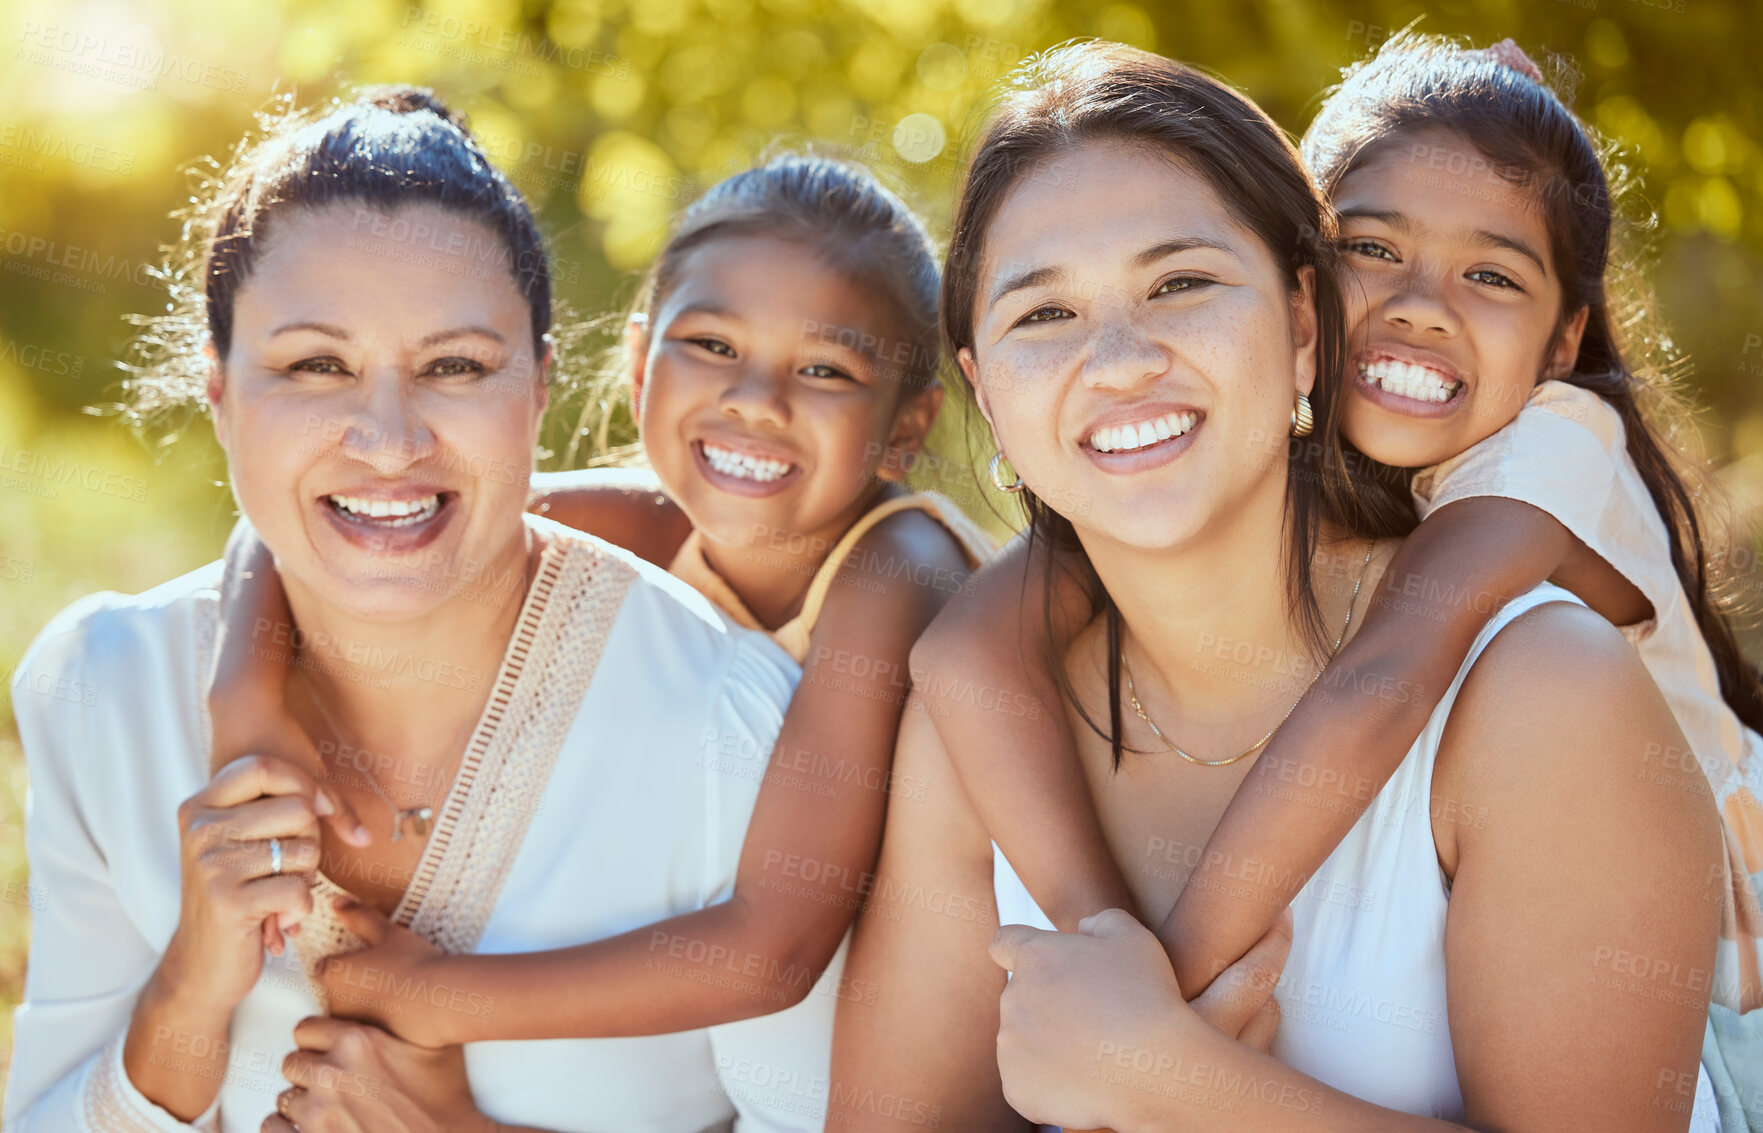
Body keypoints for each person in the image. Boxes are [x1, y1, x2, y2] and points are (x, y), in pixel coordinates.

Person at [833, 40, 1725, 1130]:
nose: (1117, 359)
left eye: (1181, 282)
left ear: (1303, 330)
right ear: (984, 392)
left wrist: (1166, 1069)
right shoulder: (980, 717)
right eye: (1043, 314)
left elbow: (1387, 677)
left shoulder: (1537, 683)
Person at [3, 88, 830, 1133]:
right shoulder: (103, 687)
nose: (388, 440)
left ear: (537, 387)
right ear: (218, 391)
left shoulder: (730, 728)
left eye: (454, 367)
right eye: (316, 364)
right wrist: (188, 993)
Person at [201, 152, 987, 1119]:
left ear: (907, 428)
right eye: (710, 344)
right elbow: (340, 513)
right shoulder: (649, 519)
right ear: (637, 362)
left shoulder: (895, 570)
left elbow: (773, 949)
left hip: (918, 1018)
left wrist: (431, 994)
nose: (756, 398)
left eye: (825, 368)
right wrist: (243, 701)